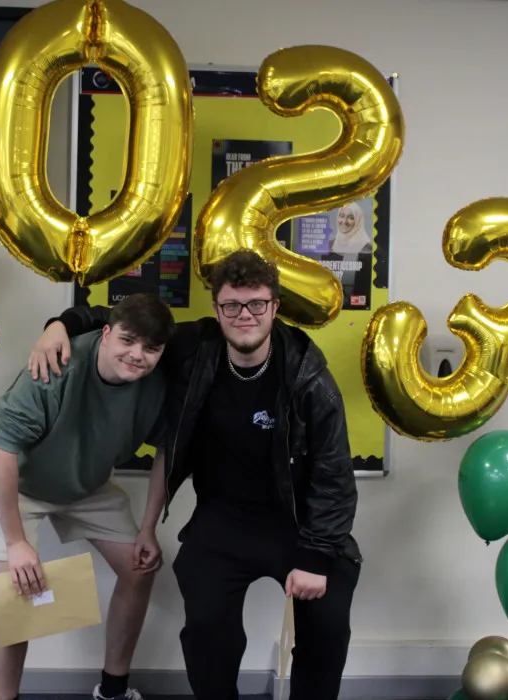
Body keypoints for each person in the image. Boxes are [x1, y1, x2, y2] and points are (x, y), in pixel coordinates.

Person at [30, 250, 361, 700]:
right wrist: (58, 325)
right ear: (217, 309)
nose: (245, 316)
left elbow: (334, 475)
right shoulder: (194, 348)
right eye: (232, 305)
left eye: (257, 304)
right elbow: (118, 320)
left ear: (274, 307)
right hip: (222, 522)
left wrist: (317, 558)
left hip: (299, 525)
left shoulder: (308, 377)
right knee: (208, 637)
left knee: (325, 630)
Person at [0, 293, 175, 700]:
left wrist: (150, 528)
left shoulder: (160, 386)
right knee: (18, 596)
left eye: (150, 348)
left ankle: (114, 690)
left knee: (140, 567)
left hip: (86, 481)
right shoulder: (55, 365)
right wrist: (16, 544)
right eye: (128, 341)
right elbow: (0, 453)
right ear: (105, 333)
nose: (137, 355)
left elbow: (166, 454)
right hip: (20, 478)